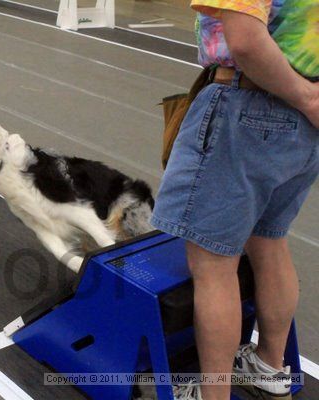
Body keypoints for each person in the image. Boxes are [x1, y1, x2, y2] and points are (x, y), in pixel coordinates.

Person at [150, 0, 319, 398]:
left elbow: (244, 40)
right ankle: (268, 365)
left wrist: (306, 98)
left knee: (212, 264)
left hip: (251, 105)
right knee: (269, 238)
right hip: (305, 127)